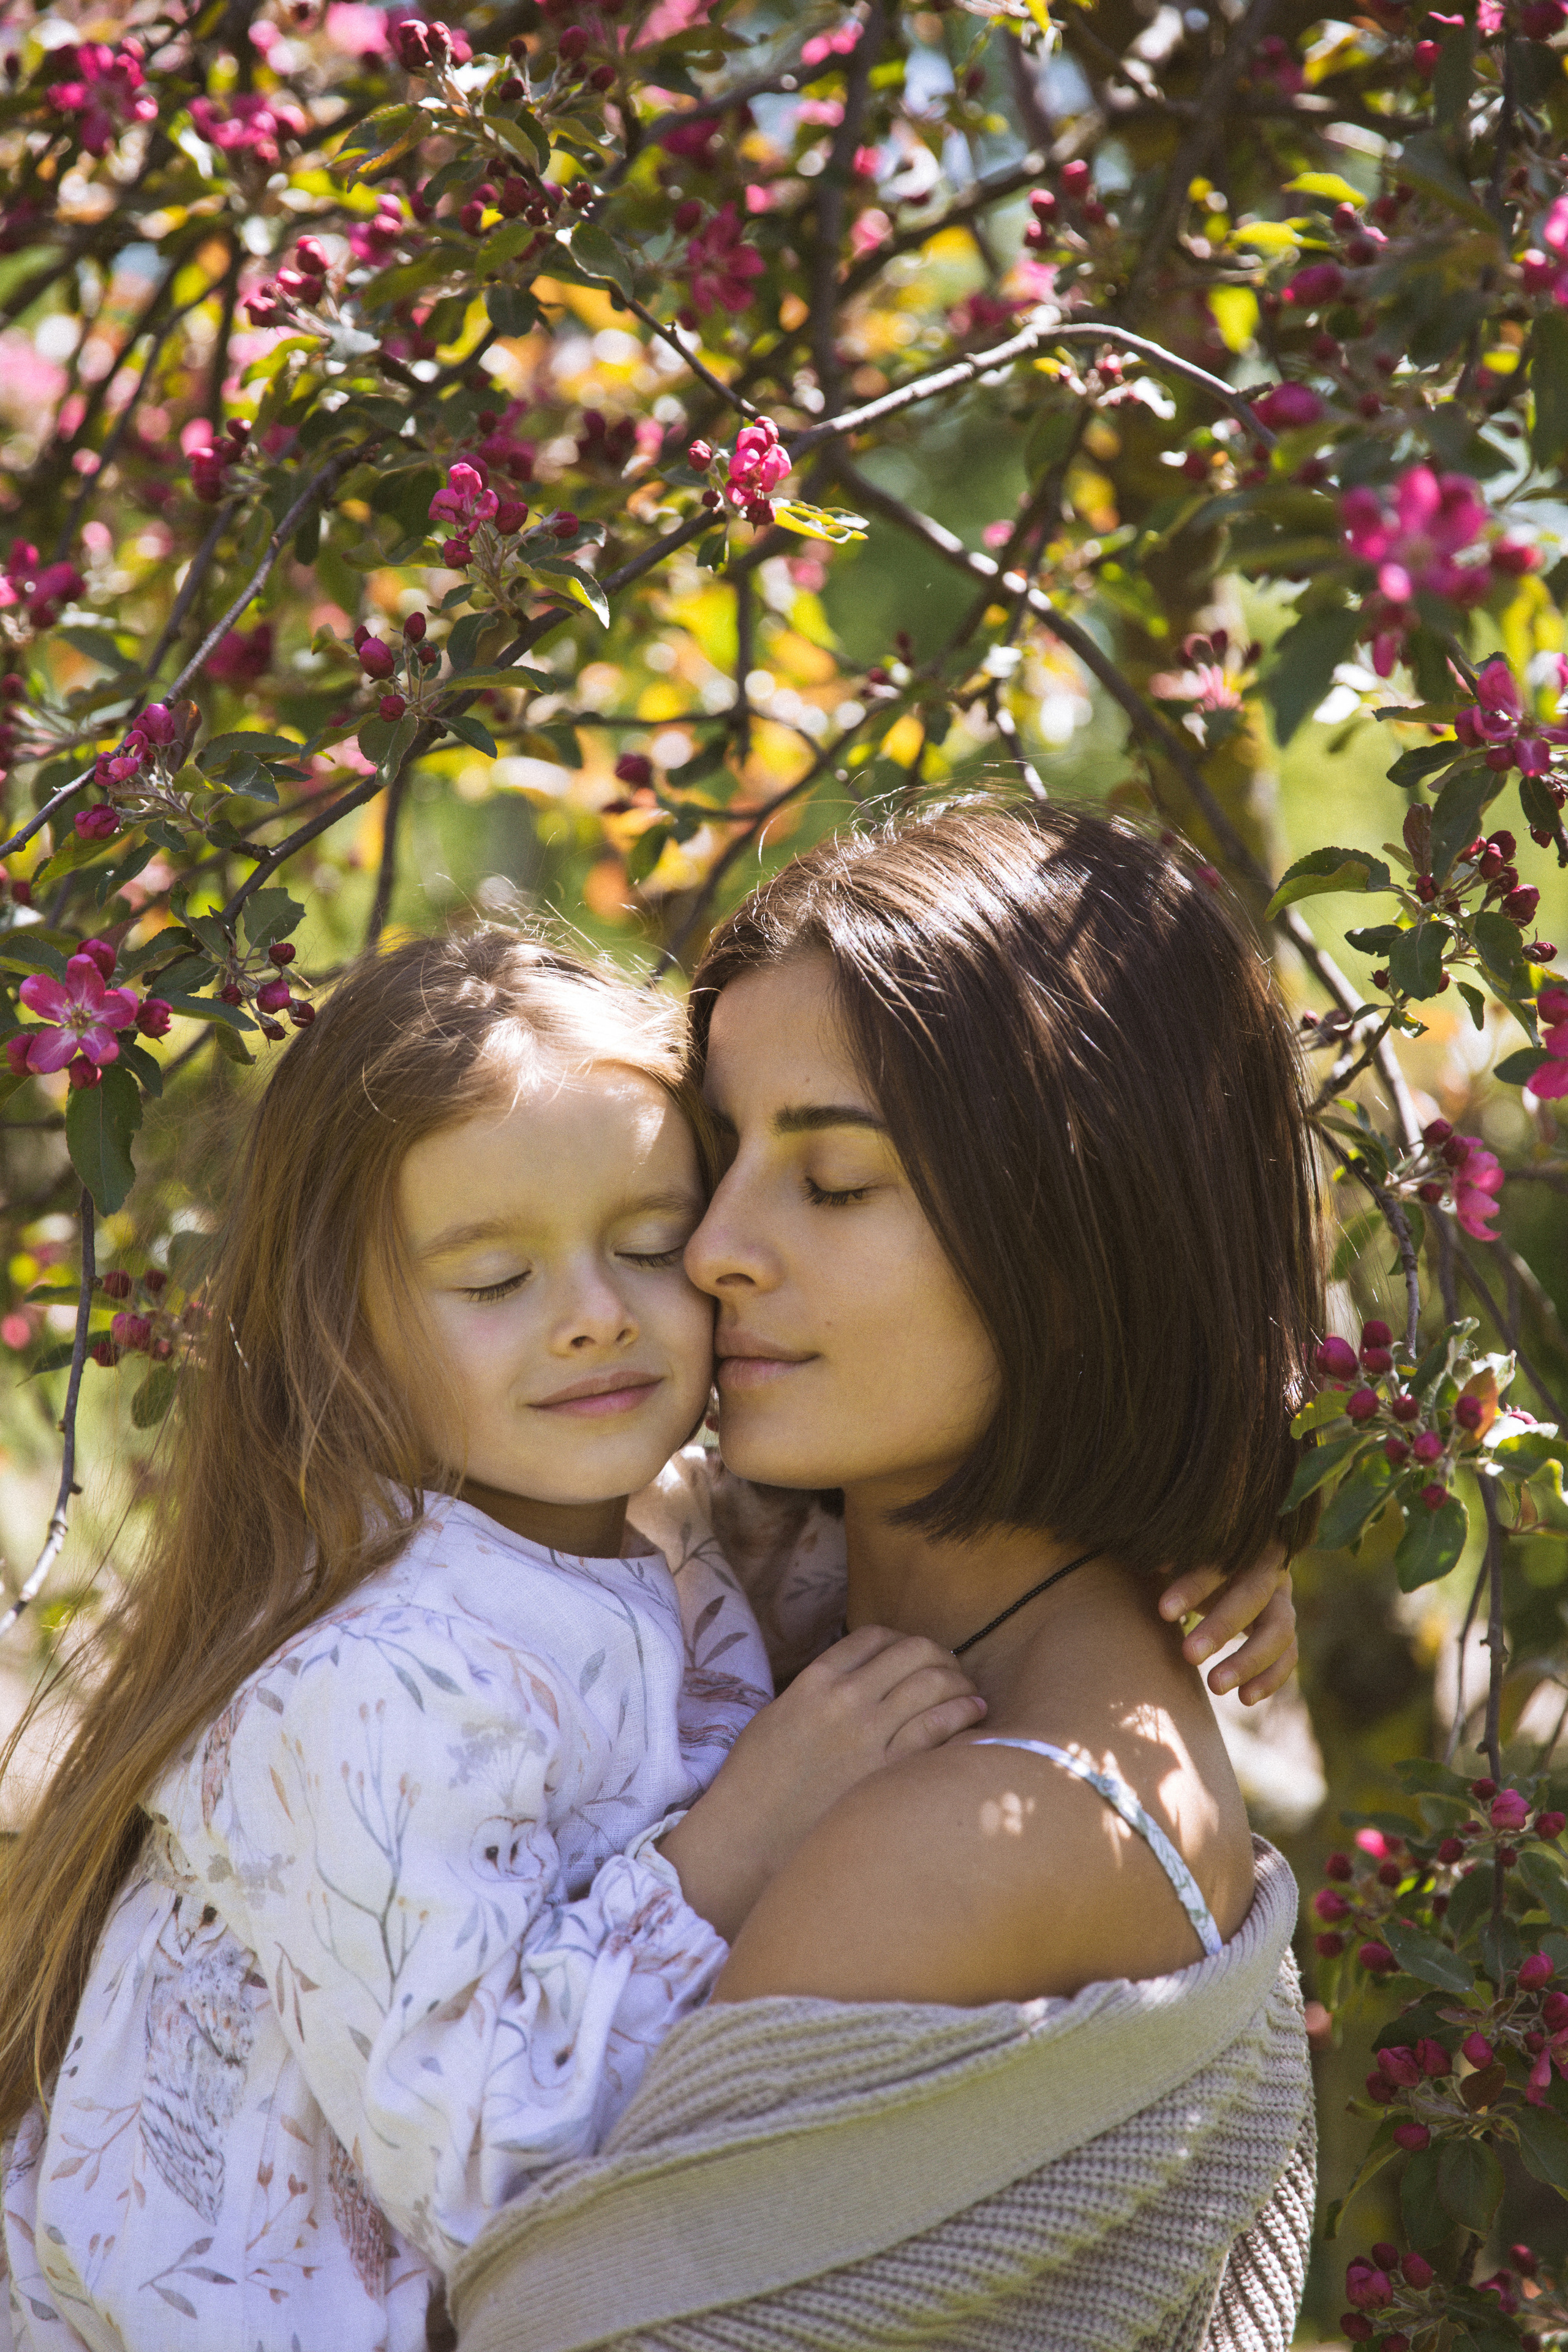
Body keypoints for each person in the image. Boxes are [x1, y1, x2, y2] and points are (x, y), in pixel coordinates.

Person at [0, 927, 1286, 2352]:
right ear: (343, 1335)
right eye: (495, 1281)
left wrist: (1180, 1523)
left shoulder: (650, 1529)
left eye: (651, 1245)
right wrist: (729, 1846)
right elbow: (485, 2164)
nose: (595, 1319)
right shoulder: (376, 1684)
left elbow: (874, 1564)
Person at [447, 804, 1321, 2352]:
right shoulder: (809, 1603)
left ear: (1080, 1242)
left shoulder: (955, 1840)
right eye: (716, 1161)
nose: (712, 1248)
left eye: (834, 1182)